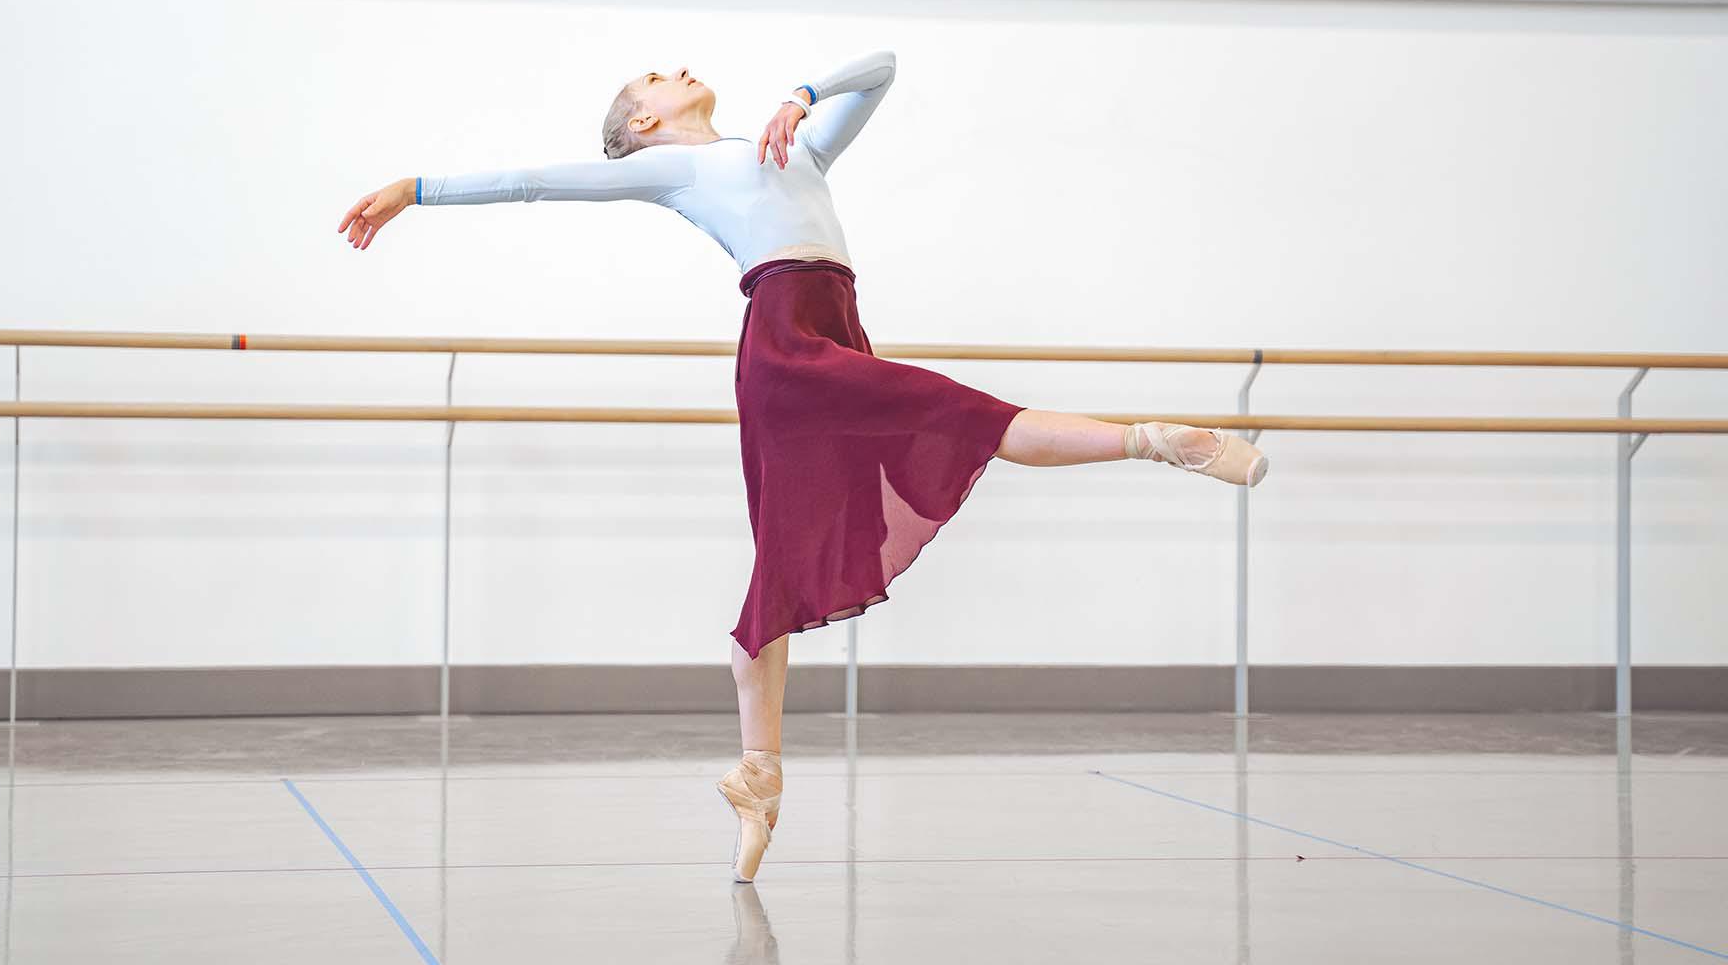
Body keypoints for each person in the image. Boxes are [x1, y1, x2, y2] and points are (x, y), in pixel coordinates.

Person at [336, 49, 1269, 884]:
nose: (678, 64)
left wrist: (804, 93)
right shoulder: (676, 165)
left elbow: (887, 68)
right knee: (962, 417)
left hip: (835, 326)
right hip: (785, 343)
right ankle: (1154, 440)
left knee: (794, 551)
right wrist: (413, 189)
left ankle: (758, 778)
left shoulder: (797, 147)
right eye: (656, 74)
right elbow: (533, 183)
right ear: (646, 123)